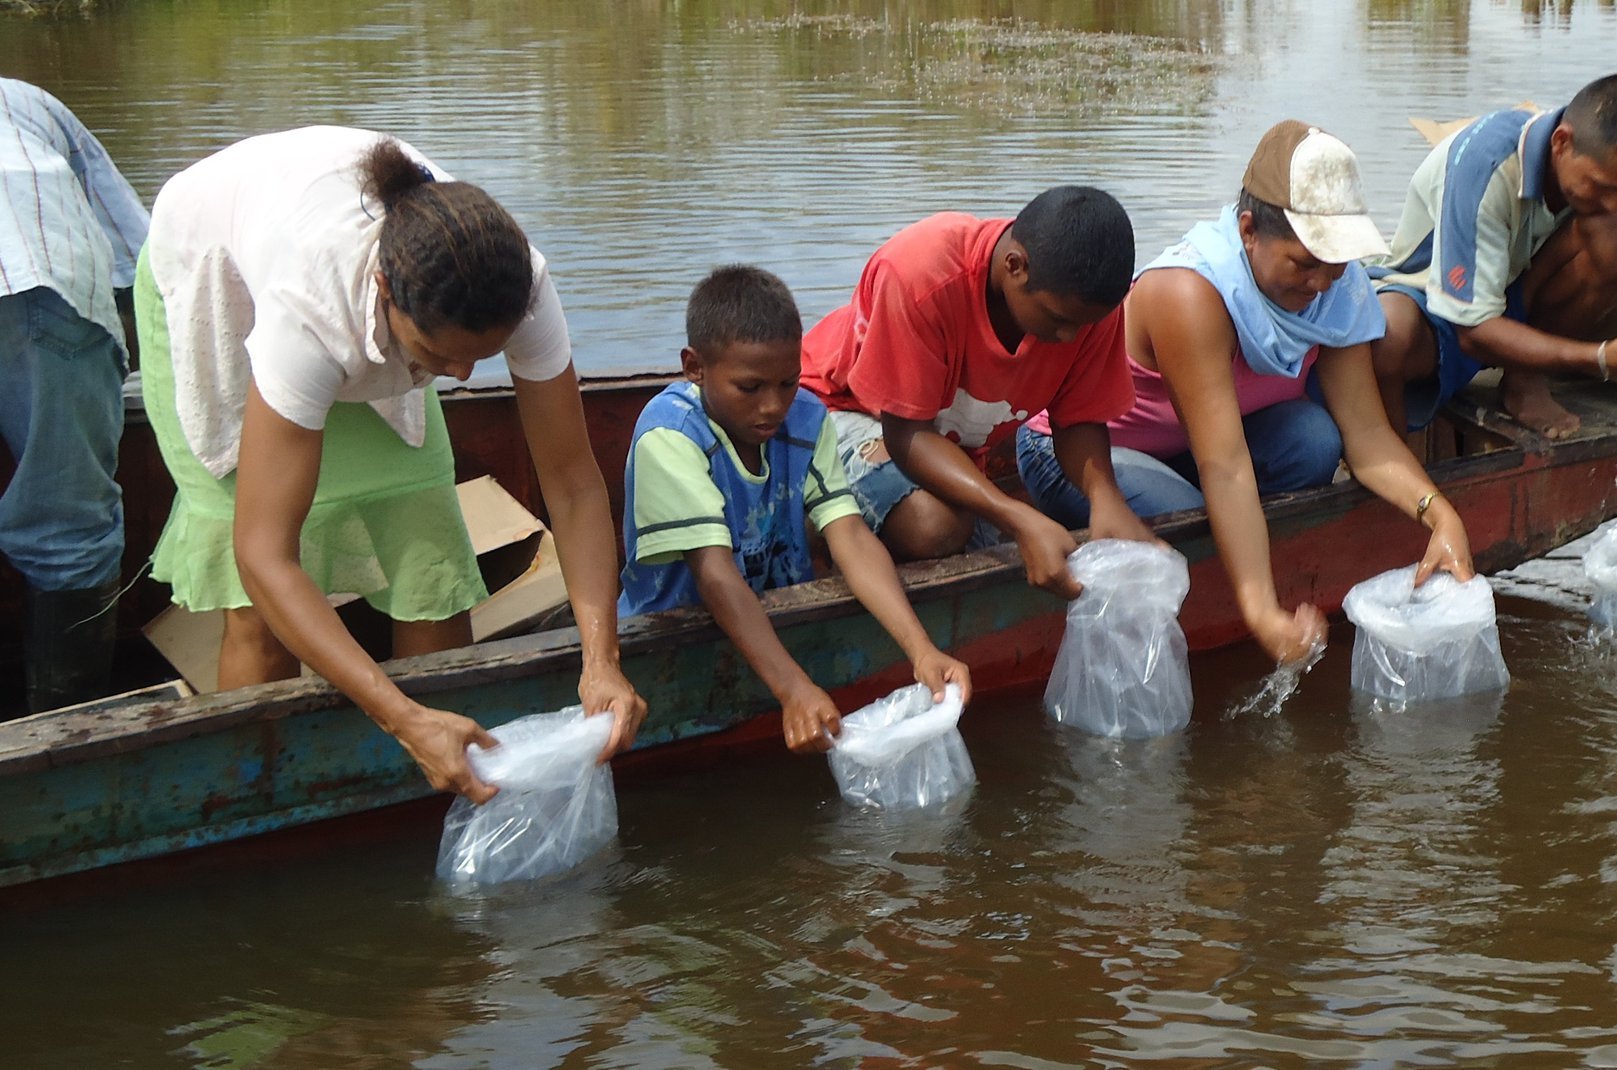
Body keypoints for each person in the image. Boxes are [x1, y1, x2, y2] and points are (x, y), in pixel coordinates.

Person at [137, 126, 643, 802]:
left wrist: (601, 662)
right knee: (250, 602)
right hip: (217, 277)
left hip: (366, 286)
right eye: (444, 357)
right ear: (383, 291)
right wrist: (402, 719)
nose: (463, 377)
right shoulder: (308, 310)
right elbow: (265, 555)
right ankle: (266, 797)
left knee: (427, 552)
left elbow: (575, 486)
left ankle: (449, 776)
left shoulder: (512, 282)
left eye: (481, 356)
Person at [1019, 121, 1478, 665]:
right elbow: (1227, 465)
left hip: (1194, 448)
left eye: (1334, 263)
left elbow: (1368, 435)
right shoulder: (1189, 292)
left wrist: (1442, 517)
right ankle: (1233, 572)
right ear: (1247, 231)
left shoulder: (1340, 286)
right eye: (1304, 263)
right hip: (1082, 454)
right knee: (1191, 522)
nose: (1319, 284)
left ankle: (1239, 547)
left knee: (1314, 439)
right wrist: (1260, 612)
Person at [618, 265, 971, 753]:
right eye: (750, 388)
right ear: (694, 367)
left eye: (787, 383)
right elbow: (715, 576)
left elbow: (847, 532)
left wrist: (921, 649)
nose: (772, 407)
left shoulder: (806, 416)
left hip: (776, 622)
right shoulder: (671, 436)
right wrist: (793, 689)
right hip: (680, 625)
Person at [1371, 73, 1617, 521]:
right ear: (1562, 143)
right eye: (1602, 187)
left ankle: (1524, 376)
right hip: (1442, 308)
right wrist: (1602, 357)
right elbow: (1471, 330)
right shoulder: (1488, 162)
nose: (1613, 202)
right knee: (1386, 337)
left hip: (1524, 302)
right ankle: (1391, 488)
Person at [799, 186, 1157, 600]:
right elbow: (906, 433)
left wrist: (1105, 498)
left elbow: (1079, 418)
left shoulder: (1086, 309)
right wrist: (1015, 516)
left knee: (1000, 545)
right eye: (1058, 320)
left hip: (942, 436)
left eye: (1082, 326)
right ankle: (815, 519)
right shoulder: (921, 274)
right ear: (1014, 266)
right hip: (836, 409)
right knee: (935, 527)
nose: (1069, 337)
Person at [0, 79, 149, 714]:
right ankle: (64, 731)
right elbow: (136, 255)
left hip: (33, 277)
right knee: (67, 533)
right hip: (41, 279)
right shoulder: (23, 100)